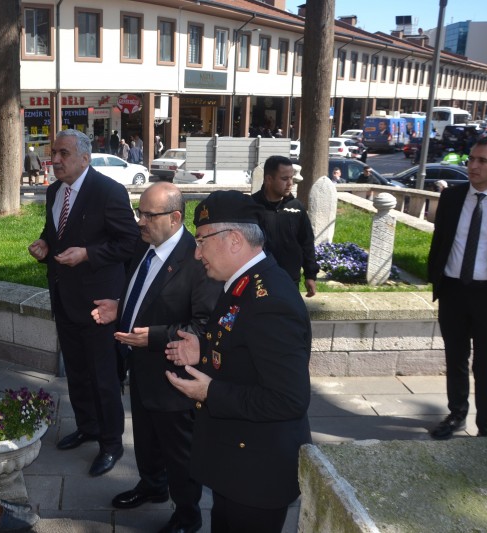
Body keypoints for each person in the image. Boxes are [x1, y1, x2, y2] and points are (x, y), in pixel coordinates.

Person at [163, 190, 312, 533]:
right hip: (236, 461)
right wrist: (203, 351)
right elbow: (243, 349)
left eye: (202, 240)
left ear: (233, 239)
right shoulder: (244, 283)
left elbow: (289, 399)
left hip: (256, 475)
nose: (197, 252)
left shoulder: (269, 300)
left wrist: (209, 392)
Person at [91, 183, 221, 533]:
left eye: (149, 215)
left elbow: (204, 326)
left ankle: (188, 516)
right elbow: (145, 295)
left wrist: (156, 336)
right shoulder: (145, 245)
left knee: (179, 453)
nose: (140, 221)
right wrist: (119, 308)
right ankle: (152, 486)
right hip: (141, 369)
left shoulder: (197, 260)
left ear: (175, 218)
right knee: (146, 439)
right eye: (140, 212)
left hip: (174, 379)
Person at [27, 129, 139, 475]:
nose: (55, 160)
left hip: (99, 304)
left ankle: (111, 444)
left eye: (63, 153)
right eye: (53, 153)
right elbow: (55, 232)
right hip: (64, 298)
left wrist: (88, 254)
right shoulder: (54, 191)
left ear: (85, 158)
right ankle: (87, 427)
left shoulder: (108, 192)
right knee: (76, 372)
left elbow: (130, 243)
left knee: (103, 377)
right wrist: (45, 245)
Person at [427, 135, 487, 439]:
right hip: (453, 290)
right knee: (455, 359)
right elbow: (440, 240)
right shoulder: (452, 197)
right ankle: (456, 415)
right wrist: (435, 277)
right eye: (472, 159)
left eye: (483, 161)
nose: (474, 166)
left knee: (486, 366)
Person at [252, 156, 320, 297]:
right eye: (284, 179)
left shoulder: (297, 207)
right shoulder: (251, 206)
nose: (290, 183)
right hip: (258, 280)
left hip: (290, 280)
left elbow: (307, 242)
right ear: (269, 179)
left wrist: (310, 275)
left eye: (291, 178)